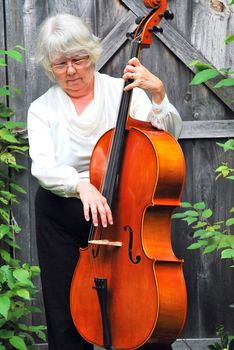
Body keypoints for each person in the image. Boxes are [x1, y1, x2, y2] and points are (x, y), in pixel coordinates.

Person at [27, 13, 182, 350]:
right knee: (65, 308)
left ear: (91, 55)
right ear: (48, 66)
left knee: (140, 305)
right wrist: (81, 186)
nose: (71, 70)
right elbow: (43, 166)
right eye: (60, 63)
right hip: (64, 211)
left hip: (123, 209)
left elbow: (164, 138)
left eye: (78, 59)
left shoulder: (122, 91)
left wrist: (158, 95)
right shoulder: (42, 109)